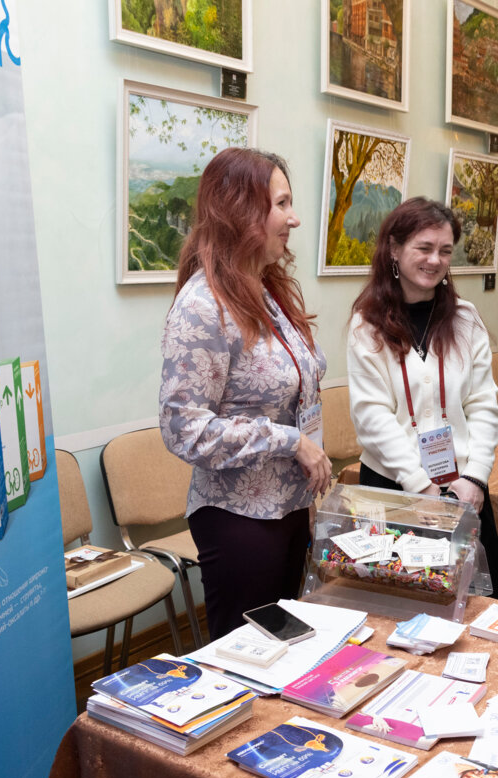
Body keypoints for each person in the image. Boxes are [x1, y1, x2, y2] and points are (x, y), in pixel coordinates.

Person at [159, 148, 332, 640]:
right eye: (281, 204)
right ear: (240, 211)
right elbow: (183, 428)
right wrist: (290, 442)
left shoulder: (266, 289)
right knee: (245, 657)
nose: (294, 219)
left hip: (289, 507)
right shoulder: (203, 306)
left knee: (285, 648)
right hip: (240, 520)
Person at [346, 198, 498, 600]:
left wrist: (475, 478)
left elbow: (484, 404)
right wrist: (422, 487)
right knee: (399, 606)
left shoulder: (465, 319)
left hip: (463, 489)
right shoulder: (367, 325)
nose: (435, 260)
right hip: (393, 491)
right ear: (394, 250)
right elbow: (372, 416)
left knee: (474, 603)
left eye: (445, 251)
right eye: (424, 248)